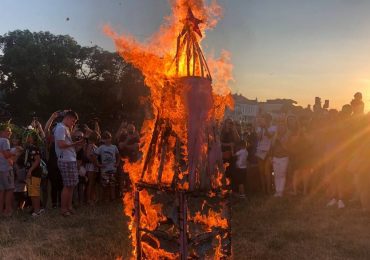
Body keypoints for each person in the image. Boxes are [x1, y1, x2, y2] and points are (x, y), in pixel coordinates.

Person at [54, 111, 84, 216]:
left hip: (70, 159)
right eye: (73, 120)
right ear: (67, 117)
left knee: (72, 185)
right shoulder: (60, 128)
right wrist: (76, 143)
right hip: (65, 160)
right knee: (67, 186)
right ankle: (63, 209)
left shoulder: (65, 128)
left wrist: (76, 144)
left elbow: (67, 144)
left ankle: (69, 206)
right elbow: (61, 144)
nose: (73, 123)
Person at [24, 130, 45, 217]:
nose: (27, 137)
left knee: (34, 192)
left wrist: (30, 170)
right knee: (31, 191)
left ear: (33, 138)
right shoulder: (28, 147)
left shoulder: (34, 148)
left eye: (29, 136)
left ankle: (37, 210)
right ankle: (35, 208)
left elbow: (37, 160)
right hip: (30, 172)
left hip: (34, 172)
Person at [95, 131, 120, 202]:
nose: (107, 140)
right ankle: (103, 199)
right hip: (104, 170)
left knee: (112, 184)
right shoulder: (101, 147)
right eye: (105, 138)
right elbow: (94, 155)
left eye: (108, 138)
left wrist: (117, 163)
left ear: (111, 138)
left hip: (113, 169)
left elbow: (118, 155)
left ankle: (112, 199)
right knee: (104, 185)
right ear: (103, 139)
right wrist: (98, 164)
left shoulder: (114, 147)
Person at [255, 113, 275, 195]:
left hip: (268, 152)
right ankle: (263, 189)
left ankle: (269, 189)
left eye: (265, 119)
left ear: (269, 120)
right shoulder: (259, 129)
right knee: (261, 172)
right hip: (260, 151)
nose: (264, 120)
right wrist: (261, 128)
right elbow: (258, 138)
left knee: (267, 172)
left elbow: (269, 136)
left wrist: (265, 127)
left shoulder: (273, 128)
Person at [271, 120, 290, 197]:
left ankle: (281, 191)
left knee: (282, 174)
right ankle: (277, 190)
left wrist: (282, 142)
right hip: (275, 157)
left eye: (282, 126)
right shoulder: (275, 136)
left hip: (284, 157)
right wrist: (271, 157)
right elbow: (272, 147)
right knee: (276, 175)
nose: (280, 127)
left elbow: (288, 148)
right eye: (279, 126)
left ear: (285, 127)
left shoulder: (287, 136)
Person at [0, 124, 14, 217]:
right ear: (1, 132)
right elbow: (6, 155)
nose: (9, 132)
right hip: (6, 169)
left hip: (0, 168)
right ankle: (7, 210)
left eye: (10, 131)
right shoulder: (5, 140)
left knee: (1, 190)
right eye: (7, 131)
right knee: (10, 189)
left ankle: (1, 211)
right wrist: (15, 152)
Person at [85, 131, 100, 205]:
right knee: (90, 183)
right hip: (91, 166)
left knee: (93, 183)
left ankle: (93, 198)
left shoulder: (93, 145)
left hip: (94, 165)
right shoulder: (90, 145)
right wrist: (94, 163)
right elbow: (88, 155)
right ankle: (88, 200)